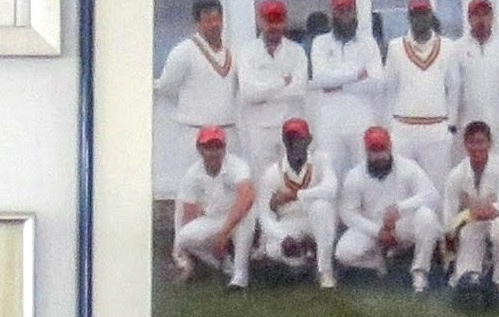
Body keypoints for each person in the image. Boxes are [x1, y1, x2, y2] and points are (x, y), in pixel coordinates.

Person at [331, 126, 443, 292]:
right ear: (366, 151)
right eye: (374, 151)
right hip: (372, 226)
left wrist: (400, 208)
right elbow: (348, 213)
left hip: (403, 224)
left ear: (390, 147)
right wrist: (377, 231)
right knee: (343, 253)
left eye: (382, 149)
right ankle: (378, 263)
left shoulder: (408, 167)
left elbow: (432, 196)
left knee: (427, 217)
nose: (379, 156)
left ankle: (420, 272)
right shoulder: (355, 175)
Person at [381, 0, 460, 194]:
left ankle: (440, 226)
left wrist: (451, 124)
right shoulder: (395, 47)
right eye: (415, 15)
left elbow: (455, 86)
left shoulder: (448, 47)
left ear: (431, 16)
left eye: (424, 14)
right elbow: (389, 87)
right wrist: (390, 125)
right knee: (401, 187)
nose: (420, 19)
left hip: (436, 128)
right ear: (408, 17)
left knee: (437, 186)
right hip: (403, 128)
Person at [302, 0, 380, 189]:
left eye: (348, 11)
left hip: (360, 118)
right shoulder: (320, 43)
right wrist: (355, 76)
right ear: (333, 14)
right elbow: (320, 79)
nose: (344, 15)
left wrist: (337, 84)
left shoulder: (368, 43)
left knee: (364, 175)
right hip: (330, 121)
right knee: (331, 176)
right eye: (340, 11)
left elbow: (376, 83)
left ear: (355, 13)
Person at [437, 119, 499, 299]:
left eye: (481, 142)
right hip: (473, 224)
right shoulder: (456, 175)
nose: (476, 148)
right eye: (471, 142)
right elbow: (449, 220)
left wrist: (480, 211)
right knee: (464, 278)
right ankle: (468, 269)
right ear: (465, 144)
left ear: (490, 143)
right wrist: (450, 258)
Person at [251, 117, 338, 284]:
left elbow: (330, 190)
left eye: (299, 139)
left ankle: (324, 270)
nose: (295, 143)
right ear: (284, 140)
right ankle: (305, 259)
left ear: (309, 140)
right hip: (290, 221)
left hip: (316, 220)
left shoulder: (320, 160)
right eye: (290, 139)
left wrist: (295, 195)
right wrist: (284, 237)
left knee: (321, 206)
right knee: (273, 249)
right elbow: (264, 214)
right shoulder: (272, 172)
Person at [169, 125, 255, 290]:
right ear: (200, 149)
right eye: (209, 147)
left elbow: (247, 198)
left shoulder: (237, 165)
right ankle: (222, 264)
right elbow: (187, 211)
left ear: (224, 148)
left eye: (218, 147)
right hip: (213, 218)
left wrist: (223, 235)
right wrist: (204, 243)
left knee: (246, 220)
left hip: (239, 215)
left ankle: (240, 276)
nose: (214, 152)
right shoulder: (192, 173)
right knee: (184, 238)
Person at [154, 0, 239, 139]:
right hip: (194, 132)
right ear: (197, 24)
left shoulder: (233, 53)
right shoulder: (183, 51)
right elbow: (166, 87)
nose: (214, 25)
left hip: (227, 132)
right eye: (208, 21)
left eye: (217, 19)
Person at [236, 0, 308, 156]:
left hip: (291, 127)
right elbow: (249, 93)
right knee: (261, 178)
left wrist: (263, 91)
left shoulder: (297, 52)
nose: (274, 26)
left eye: (278, 21)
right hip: (259, 130)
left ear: (285, 22)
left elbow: (298, 90)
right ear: (261, 22)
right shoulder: (247, 52)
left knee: (291, 177)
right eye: (269, 21)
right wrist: (282, 82)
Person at [450, 0, 499, 153]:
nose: (481, 19)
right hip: (468, 124)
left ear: (492, 17)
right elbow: (453, 88)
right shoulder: (456, 49)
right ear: (469, 19)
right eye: (476, 15)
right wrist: (452, 122)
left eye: (485, 14)